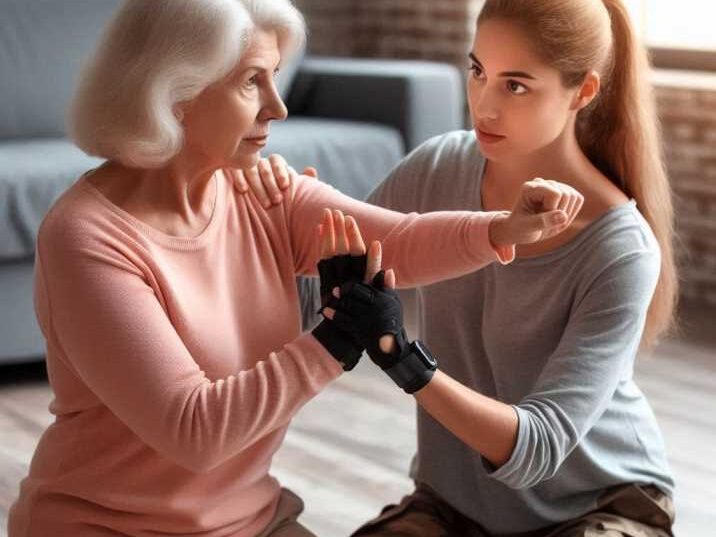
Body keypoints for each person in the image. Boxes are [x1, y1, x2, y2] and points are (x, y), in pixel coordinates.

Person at [6, 1, 583, 536]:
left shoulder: (259, 191)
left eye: (274, 78)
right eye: (251, 81)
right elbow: (195, 429)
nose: (277, 107)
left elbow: (398, 241)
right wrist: (335, 338)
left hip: (250, 521)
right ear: (175, 91)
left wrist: (504, 227)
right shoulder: (88, 237)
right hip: (107, 528)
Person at [257, 0, 678, 535]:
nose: (485, 105)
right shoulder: (438, 168)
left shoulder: (620, 247)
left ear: (583, 92)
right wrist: (274, 214)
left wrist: (402, 358)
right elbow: (307, 301)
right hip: (455, 504)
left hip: (596, 505)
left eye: (516, 85)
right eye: (479, 72)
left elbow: (539, 447)